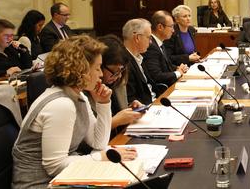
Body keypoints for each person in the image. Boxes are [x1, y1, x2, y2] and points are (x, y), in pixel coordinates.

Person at [11, 35, 137, 188]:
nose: (101, 74)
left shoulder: (77, 95)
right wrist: (99, 158)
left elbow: (98, 142)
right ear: (81, 69)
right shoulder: (61, 105)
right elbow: (55, 166)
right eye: (97, 68)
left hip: (62, 178)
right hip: (39, 184)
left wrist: (103, 104)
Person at [96, 35, 145, 131]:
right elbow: (90, 135)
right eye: (115, 71)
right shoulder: (89, 90)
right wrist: (116, 120)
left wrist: (130, 108)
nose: (118, 76)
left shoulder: (118, 82)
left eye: (121, 71)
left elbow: (117, 111)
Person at [143, 10, 188, 87]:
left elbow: (166, 64)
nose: (173, 30)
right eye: (171, 26)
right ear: (160, 27)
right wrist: (178, 73)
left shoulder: (160, 42)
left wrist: (178, 67)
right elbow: (156, 76)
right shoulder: (151, 46)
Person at [123, 18, 156, 105]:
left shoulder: (139, 56)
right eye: (149, 37)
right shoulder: (124, 62)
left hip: (154, 102)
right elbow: (132, 100)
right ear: (137, 37)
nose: (151, 42)